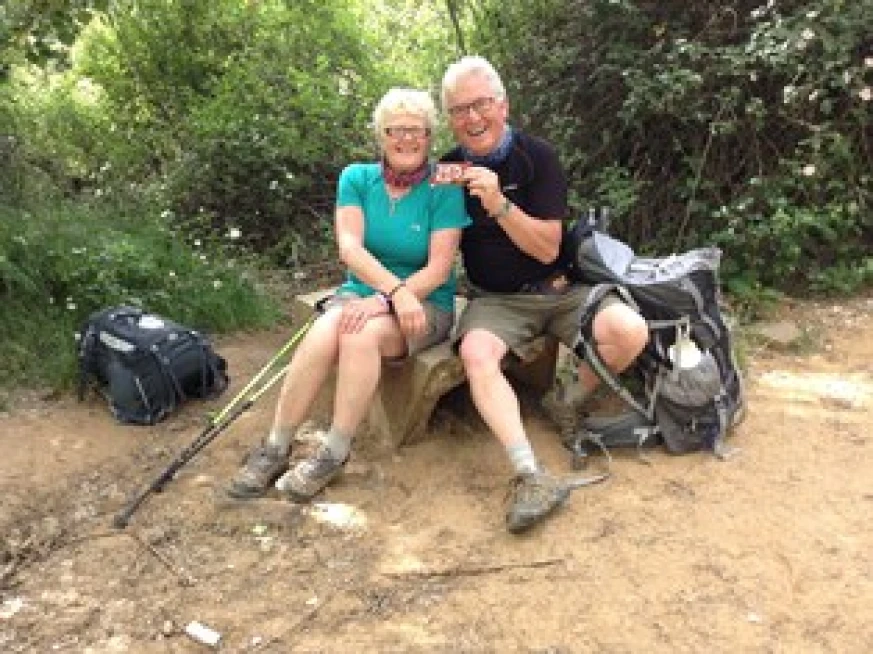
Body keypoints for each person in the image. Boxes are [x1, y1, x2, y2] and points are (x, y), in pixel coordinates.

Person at [228, 88, 471, 500]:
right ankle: (276, 445)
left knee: (360, 335)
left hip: (423, 304)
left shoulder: (443, 188)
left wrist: (390, 300)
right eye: (397, 129)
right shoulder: (356, 178)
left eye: (418, 130)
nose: (407, 139)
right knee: (324, 331)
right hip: (362, 295)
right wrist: (386, 291)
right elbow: (350, 249)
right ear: (382, 135)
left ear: (430, 137)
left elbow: (438, 269)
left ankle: (334, 452)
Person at [440, 56, 649, 533]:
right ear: (450, 119)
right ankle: (530, 473)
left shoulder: (539, 157)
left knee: (629, 330)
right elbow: (422, 226)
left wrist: (498, 203)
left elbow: (547, 246)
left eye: (481, 105)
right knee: (475, 353)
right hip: (495, 300)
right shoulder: (448, 170)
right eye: (459, 110)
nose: (472, 119)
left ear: (503, 105)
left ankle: (567, 400)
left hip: (560, 289)